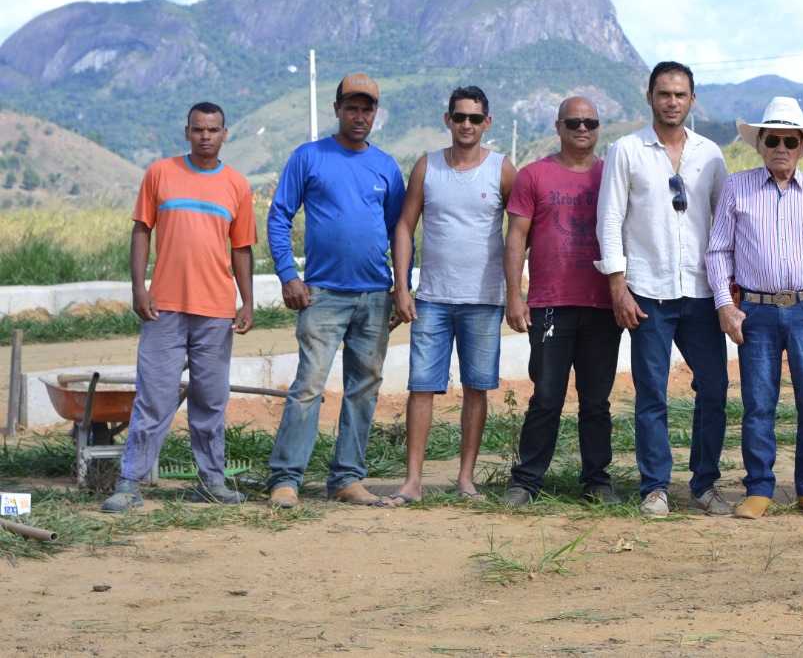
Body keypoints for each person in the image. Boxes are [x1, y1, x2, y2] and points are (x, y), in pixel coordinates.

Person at [102, 102, 257, 512]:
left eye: (213, 130)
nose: (206, 136)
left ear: (226, 134)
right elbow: (141, 231)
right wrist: (139, 288)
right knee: (153, 397)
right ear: (186, 132)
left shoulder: (237, 186)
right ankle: (129, 483)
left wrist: (248, 302)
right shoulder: (160, 173)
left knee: (210, 400)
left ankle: (211, 482)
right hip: (163, 308)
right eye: (198, 129)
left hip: (216, 312)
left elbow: (241, 249)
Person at [595, 61, 730, 518]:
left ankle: (704, 484)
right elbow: (609, 220)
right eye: (664, 93)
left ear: (693, 100)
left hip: (700, 292)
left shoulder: (711, 154)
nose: (672, 101)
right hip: (647, 291)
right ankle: (655, 487)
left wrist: (726, 289)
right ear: (649, 97)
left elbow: (724, 222)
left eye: (680, 94)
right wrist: (619, 288)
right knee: (652, 392)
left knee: (713, 388)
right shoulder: (626, 150)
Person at [265, 73, 406, 508]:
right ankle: (285, 479)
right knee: (308, 385)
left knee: (363, 388)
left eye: (367, 109)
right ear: (337, 109)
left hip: (375, 296)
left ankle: (346, 478)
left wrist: (403, 287)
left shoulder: (386, 166)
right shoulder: (309, 157)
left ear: (375, 114)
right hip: (322, 295)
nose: (359, 116)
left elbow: (401, 231)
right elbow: (278, 217)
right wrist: (289, 275)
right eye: (352, 107)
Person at [706, 97, 803, 520]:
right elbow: (718, 252)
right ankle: (759, 489)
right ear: (759, 144)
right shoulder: (737, 187)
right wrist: (725, 306)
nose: (781, 147)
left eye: (791, 140)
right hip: (757, 310)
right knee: (759, 404)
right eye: (773, 139)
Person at [384, 86, 516, 505]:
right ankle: (412, 483)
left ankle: (465, 479)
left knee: (477, 389)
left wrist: (515, 289)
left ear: (487, 123)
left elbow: (520, 231)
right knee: (421, 387)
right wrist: (402, 286)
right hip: (433, 300)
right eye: (459, 117)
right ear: (447, 120)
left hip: (484, 300)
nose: (466, 125)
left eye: (475, 119)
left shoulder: (502, 170)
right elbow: (404, 226)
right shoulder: (427, 167)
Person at [500, 97, 624, 507]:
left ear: (598, 127)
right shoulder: (534, 175)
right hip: (550, 304)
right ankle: (527, 482)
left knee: (596, 401)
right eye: (574, 121)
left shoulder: (613, 176)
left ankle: (596, 480)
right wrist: (514, 295)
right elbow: (516, 237)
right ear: (559, 126)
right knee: (546, 396)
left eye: (590, 121)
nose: (582, 127)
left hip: (603, 304)